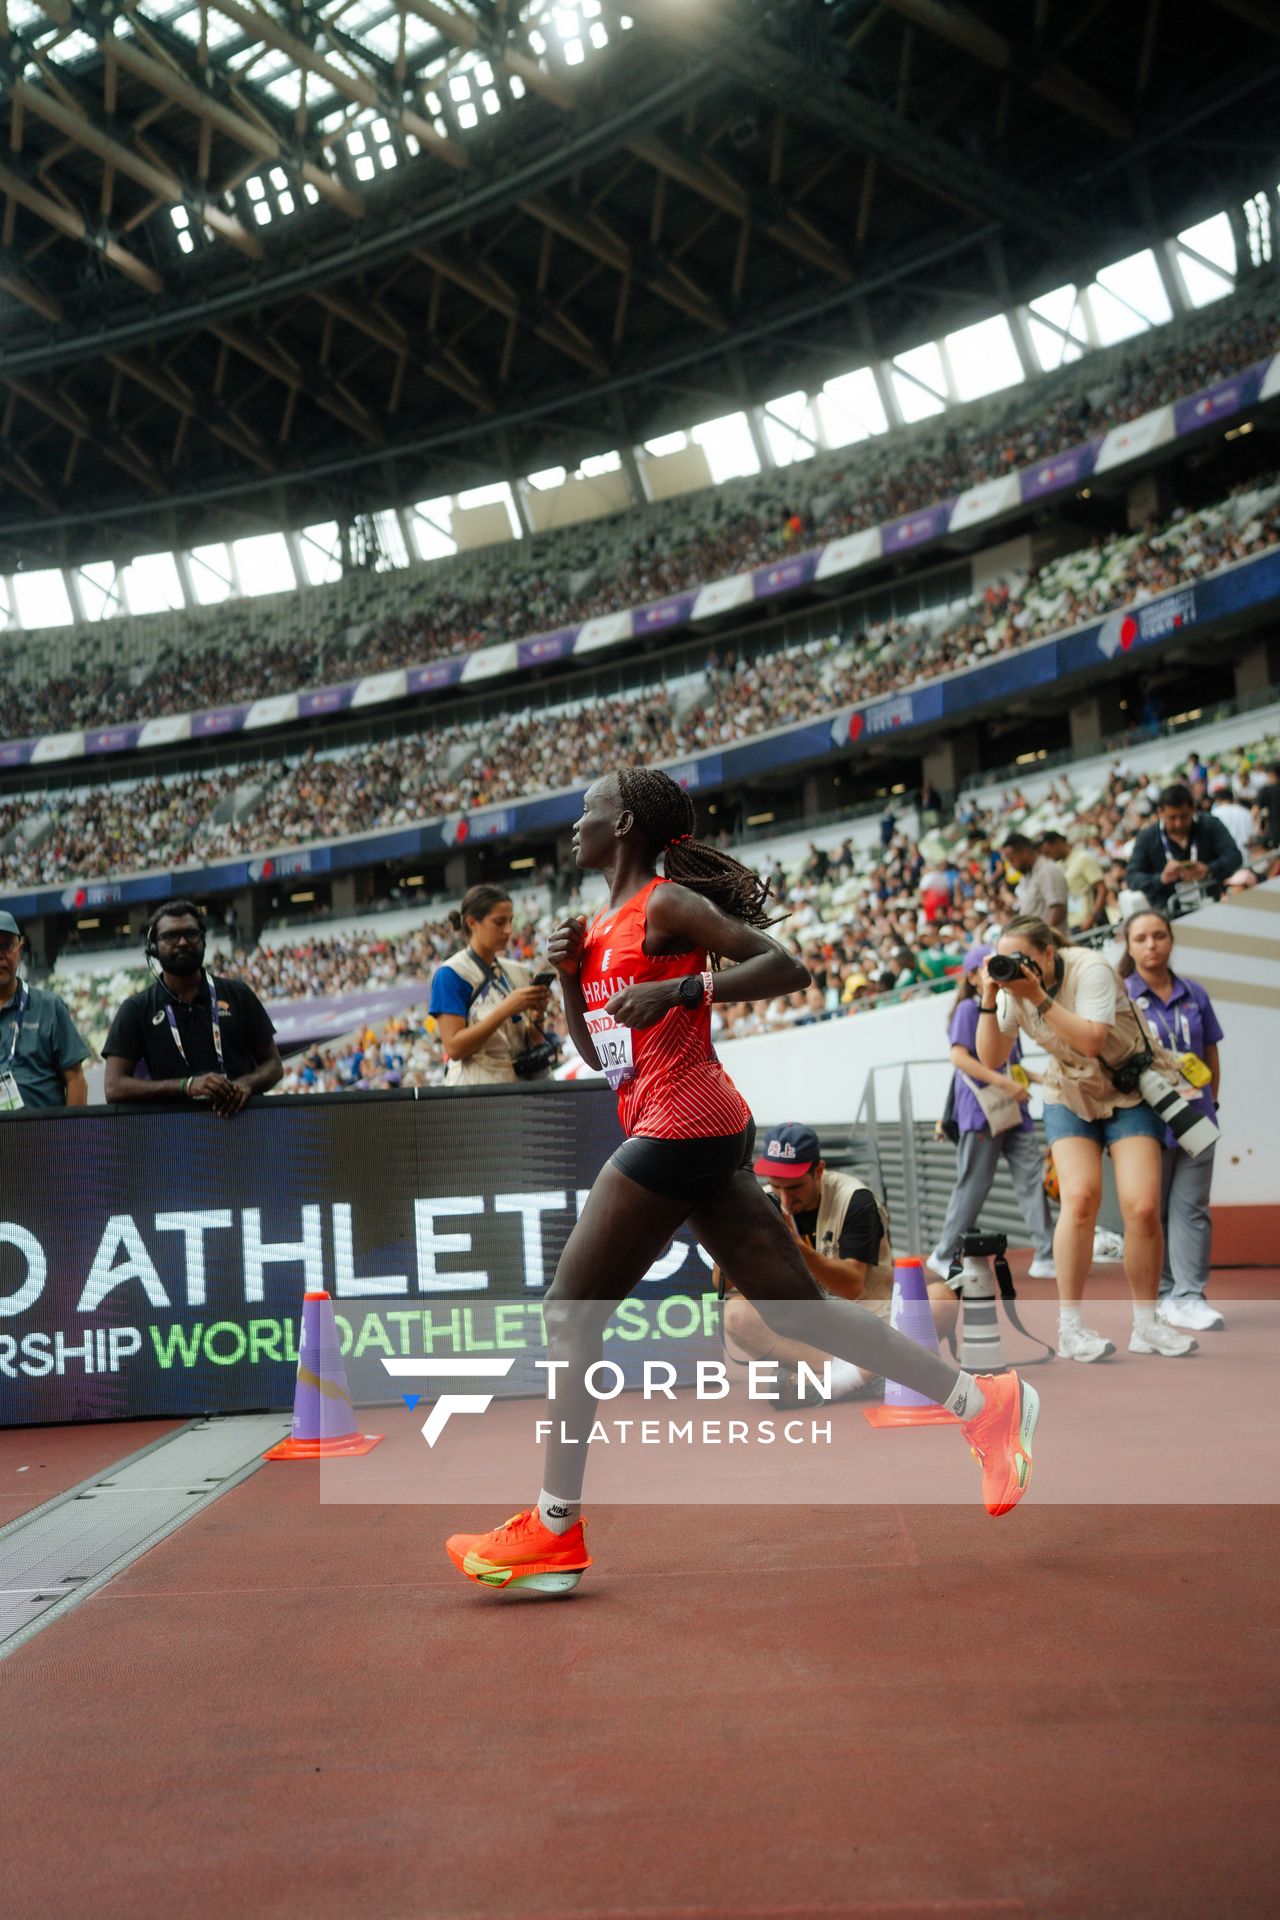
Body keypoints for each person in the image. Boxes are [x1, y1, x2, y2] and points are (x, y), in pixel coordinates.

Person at [445, 768, 1042, 1594]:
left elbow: (786, 966)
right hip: (695, 1125)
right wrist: (577, 980)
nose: (573, 827)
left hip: (684, 1124)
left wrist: (686, 987)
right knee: (803, 1311)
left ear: (621, 824)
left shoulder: (664, 905)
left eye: (586, 814)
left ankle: (554, 1529)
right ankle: (985, 1404)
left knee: (568, 1312)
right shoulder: (609, 921)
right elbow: (600, 1056)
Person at [976, 913, 1195, 1363]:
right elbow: (992, 1056)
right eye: (1004, 959)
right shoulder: (1010, 991)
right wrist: (988, 995)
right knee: (1078, 1200)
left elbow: (1093, 1040)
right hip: (1068, 1096)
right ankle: (1071, 1327)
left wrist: (1035, 994)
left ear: (1048, 954)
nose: (1014, 965)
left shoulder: (1089, 968)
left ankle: (1146, 1324)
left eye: (1023, 958)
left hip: (1127, 1092)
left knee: (1143, 1206)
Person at [718, 1123, 957, 1397]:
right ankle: (867, 1375)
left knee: (942, 1298)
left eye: (795, 1187)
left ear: (818, 1171)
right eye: (776, 1186)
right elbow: (723, 1287)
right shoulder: (761, 1201)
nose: (785, 1199)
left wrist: (795, 1247)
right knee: (736, 1314)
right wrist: (729, 1238)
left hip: (871, 1320)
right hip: (812, 1331)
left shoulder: (856, 1200)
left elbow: (851, 1287)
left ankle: (835, 1381)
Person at [1119, 912, 1225, 1333]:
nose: (1151, 945)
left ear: (1171, 940)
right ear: (1128, 946)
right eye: (1141, 938)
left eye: (1159, 936)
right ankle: (1161, 1295)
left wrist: (1213, 1101)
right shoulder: (1122, 996)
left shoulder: (1194, 994)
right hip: (1146, 1123)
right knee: (1150, 1212)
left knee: (1193, 1209)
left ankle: (1190, 1296)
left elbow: (1211, 1053)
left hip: (1197, 1117)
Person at [927, 946, 1056, 1284]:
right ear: (972, 977)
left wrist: (1042, 1078)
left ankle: (1046, 1254)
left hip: (1013, 1109)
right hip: (983, 1109)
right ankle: (943, 1253)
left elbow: (1009, 1062)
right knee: (973, 1184)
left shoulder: (1008, 1007)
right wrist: (1006, 1083)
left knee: (1031, 1179)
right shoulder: (969, 1009)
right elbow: (960, 1058)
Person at [103, 900, 282, 1113]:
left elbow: (274, 1065)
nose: (182, 942)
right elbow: (114, 1087)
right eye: (170, 936)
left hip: (243, 1129)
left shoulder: (238, 994)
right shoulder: (136, 1009)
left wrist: (247, 1084)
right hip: (177, 1135)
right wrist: (186, 1086)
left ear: (203, 940)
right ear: (153, 947)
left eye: (191, 934)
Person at [427, 884, 552, 1086]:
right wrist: (505, 1009)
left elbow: (531, 1043)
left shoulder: (516, 971)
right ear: (472, 923)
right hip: (478, 1096)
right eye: (499, 922)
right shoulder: (450, 974)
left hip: (520, 1090)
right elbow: (454, 1048)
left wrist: (538, 1014)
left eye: (510, 921)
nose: (508, 930)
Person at [0, 911, 90, 1113]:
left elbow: (76, 1079)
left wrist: (71, 1138)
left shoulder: (49, 1007)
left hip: (44, 1138)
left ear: (20, 949)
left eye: (5, 945)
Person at [1125, 784, 1241, 911]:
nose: (1178, 823)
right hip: (1170, 911)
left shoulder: (1209, 824)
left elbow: (1234, 856)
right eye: (1172, 818)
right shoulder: (1147, 838)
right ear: (1160, 813)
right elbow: (1132, 877)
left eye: (1184, 816)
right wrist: (1161, 878)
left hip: (1214, 902)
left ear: (1193, 810)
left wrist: (1209, 869)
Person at [1043, 828, 1107, 932]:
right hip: (1070, 925)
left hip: (1086, 923)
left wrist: (1093, 918)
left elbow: (1102, 888)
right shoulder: (1058, 866)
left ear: (1058, 843)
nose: (1049, 856)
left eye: (1049, 851)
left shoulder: (1082, 858)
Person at [1002, 832, 1067, 930]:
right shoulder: (1026, 876)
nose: (1011, 865)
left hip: (1051, 942)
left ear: (1024, 851)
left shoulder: (1047, 870)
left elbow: (1058, 910)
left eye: (1012, 860)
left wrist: (1041, 938)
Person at [1210, 783, 1254, 862]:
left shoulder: (1214, 814)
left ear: (1218, 800)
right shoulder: (1246, 812)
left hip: (1224, 861)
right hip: (1247, 858)